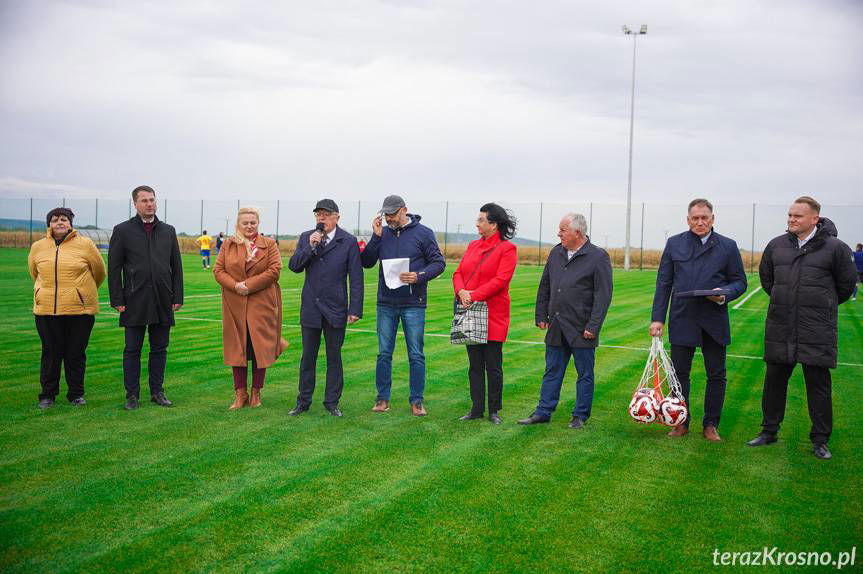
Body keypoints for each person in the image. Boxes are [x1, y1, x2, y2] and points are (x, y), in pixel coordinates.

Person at [747, 197, 857, 459]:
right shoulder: (776, 246)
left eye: (797, 216)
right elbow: (768, 281)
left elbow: (845, 286)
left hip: (816, 329)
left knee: (818, 385)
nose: (791, 219)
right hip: (781, 326)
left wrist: (820, 305)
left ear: (814, 219)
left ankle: (820, 440)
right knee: (774, 381)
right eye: (789, 215)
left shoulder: (836, 248)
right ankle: (769, 431)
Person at [649, 198, 747, 441]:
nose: (700, 222)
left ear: (713, 219)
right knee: (679, 374)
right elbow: (664, 283)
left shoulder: (728, 246)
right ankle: (681, 421)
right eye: (696, 218)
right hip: (683, 317)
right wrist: (657, 318)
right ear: (688, 219)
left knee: (716, 374)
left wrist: (724, 295)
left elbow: (739, 282)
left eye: (705, 218)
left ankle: (711, 424)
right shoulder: (674, 244)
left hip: (714, 319)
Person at [518, 213, 612, 429]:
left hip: (582, 328)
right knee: (552, 370)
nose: (558, 233)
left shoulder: (598, 257)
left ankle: (580, 415)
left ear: (577, 233)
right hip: (556, 325)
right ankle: (543, 412)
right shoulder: (556, 252)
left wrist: (593, 326)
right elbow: (545, 285)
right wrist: (541, 315)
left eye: (562, 230)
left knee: (584, 374)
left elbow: (603, 295)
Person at [361, 195, 446, 416]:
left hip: (413, 304)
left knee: (416, 354)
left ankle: (417, 401)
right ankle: (382, 399)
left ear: (404, 210)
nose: (388, 218)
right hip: (386, 303)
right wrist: (376, 237)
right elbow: (367, 262)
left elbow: (438, 263)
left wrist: (419, 276)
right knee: (383, 354)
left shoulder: (424, 233)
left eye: (392, 214)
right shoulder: (383, 233)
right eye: (385, 214)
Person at [108, 185, 184, 410]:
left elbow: (176, 267)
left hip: (163, 299)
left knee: (159, 348)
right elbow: (114, 268)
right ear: (135, 204)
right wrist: (117, 299)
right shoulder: (122, 230)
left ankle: (157, 392)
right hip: (134, 299)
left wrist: (177, 295)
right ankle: (132, 395)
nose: (149, 204)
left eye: (152, 200)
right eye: (144, 200)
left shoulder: (168, 231)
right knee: (132, 349)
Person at [288, 199, 363, 417]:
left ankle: (332, 402)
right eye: (318, 214)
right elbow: (294, 266)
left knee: (334, 357)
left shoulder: (347, 241)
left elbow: (356, 278)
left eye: (326, 214)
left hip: (335, 308)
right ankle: (303, 401)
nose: (321, 218)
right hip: (311, 307)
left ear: (337, 217)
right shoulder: (306, 238)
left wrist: (355, 308)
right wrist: (311, 247)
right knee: (308, 357)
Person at [28, 207, 106, 409]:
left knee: (75, 353)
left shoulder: (85, 244)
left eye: (64, 219)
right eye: (55, 220)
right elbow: (34, 273)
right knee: (50, 353)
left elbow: (99, 272)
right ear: (49, 224)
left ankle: (76, 394)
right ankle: (47, 395)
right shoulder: (38, 246)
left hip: (79, 311)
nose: (59, 223)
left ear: (71, 223)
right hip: (46, 310)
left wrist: (81, 293)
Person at [214, 207, 288, 410]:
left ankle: (256, 392)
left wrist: (249, 285)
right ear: (238, 224)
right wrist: (235, 285)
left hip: (261, 302)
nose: (249, 226)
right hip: (234, 302)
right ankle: (240, 394)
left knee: (259, 348)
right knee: (237, 347)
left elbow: (275, 270)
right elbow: (218, 270)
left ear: (258, 224)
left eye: (252, 223)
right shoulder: (228, 244)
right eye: (245, 223)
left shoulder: (269, 244)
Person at [452, 203, 518, 424]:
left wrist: (473, 295)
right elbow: (459, 272)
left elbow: (501, 280)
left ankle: (494, 410)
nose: (477, 223)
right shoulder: (472, 245)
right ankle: (476, 408)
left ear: (493, 224)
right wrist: (461, 291)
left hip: (493, 314)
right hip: (470, 312)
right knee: (474, 365)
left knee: (493, 365)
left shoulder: (507, 249)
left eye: (481, 220)